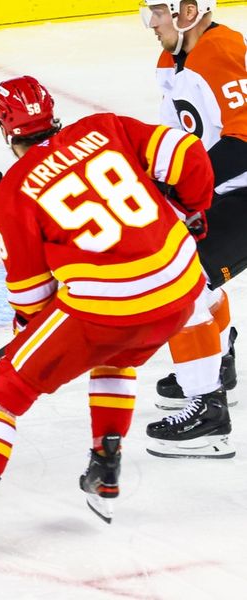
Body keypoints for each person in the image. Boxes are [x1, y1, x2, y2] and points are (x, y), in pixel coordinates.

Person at [0, 75, 214, 562]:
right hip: (181, 286)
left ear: (4, 131)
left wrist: (25, 339)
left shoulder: (11, 194)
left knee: (6, 387)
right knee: (116, 355)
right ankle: (105, 469)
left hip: (110, 305)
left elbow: (32, 299)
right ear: (52, 114)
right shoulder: (105, 127)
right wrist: (193, 208)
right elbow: (189, 155)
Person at [139, 0, 247, 457]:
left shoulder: (221, 50)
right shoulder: (174, 57)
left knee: (180, 278)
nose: (152, 22)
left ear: (189, 10)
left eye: (159, 12)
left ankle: (208, 415)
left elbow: (244, 143)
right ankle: (217, 363)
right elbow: (176, 138)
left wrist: (186, 189)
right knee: (184, 266)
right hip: (225, 192)